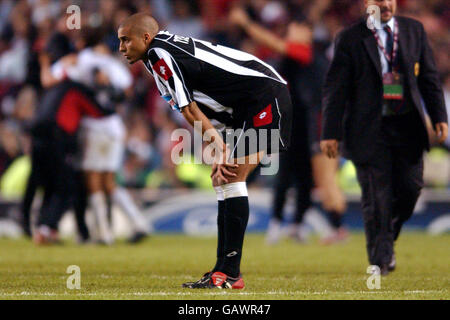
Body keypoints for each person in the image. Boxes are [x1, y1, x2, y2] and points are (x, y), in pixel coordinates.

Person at [118, 13, 292, 289]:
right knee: (222, 178)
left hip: (263, 94)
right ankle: (223, 271)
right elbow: (206, 101)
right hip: (243, 105)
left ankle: (230, 273)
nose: (121, 47)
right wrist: (221, 144)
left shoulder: (159, 54)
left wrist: (220, 148)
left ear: (145, 38)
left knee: (232, 176)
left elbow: (188, 108)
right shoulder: (159, 55)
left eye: (126, 40)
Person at [320, 0, 448, 275]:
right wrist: (330, 132)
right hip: (368, 130)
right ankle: (380, 260)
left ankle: (385, 238)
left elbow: (429, 77)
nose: (386, 4)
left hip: (408, 127)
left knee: (410, 190)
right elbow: (335, 88)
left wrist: (439, 116)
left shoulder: (414, 30)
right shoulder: (350, 37)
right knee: (377, 198)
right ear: (367, 4)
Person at [229, 6, 348, 244]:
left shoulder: (306, 52)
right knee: (312, 179)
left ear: (307, 32)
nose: (290, 33)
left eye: (295, 29)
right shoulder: (301, 58)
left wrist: (246, 24)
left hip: (320, 124)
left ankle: (338, 228)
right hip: (308, 124)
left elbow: (275, 44)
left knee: (325, 180)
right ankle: (322, 227)